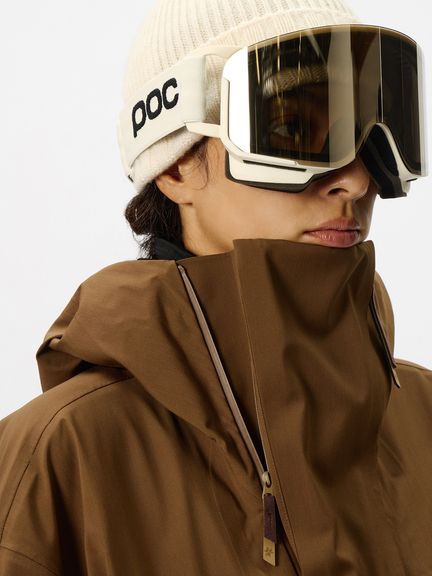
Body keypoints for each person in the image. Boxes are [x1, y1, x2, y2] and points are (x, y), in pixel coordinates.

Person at [0, 0, 431, 574]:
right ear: (177, 166)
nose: (355, 179)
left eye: (370, 136)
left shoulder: (424, 417)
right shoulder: (57, 456)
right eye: (293, 129)